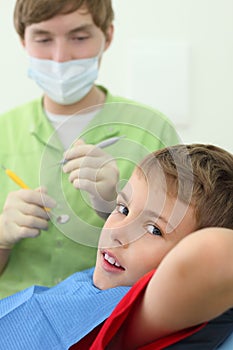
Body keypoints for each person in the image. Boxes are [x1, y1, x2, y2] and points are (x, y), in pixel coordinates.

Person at [0, 0, 180, 298]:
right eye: (44, 39)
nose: (60, 57)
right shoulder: (5, 132)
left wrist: (117, 209)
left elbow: (179, 259)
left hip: (110, 323)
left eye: (79, 38)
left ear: (107, 36)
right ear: (22, 40)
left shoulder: (152, 129)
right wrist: (2, 237)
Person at [0, 143, 233, 349]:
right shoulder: (108, 274)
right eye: (123, 208)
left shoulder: (146, 316)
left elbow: (212, 252)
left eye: (154, 230)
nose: (117, 231)